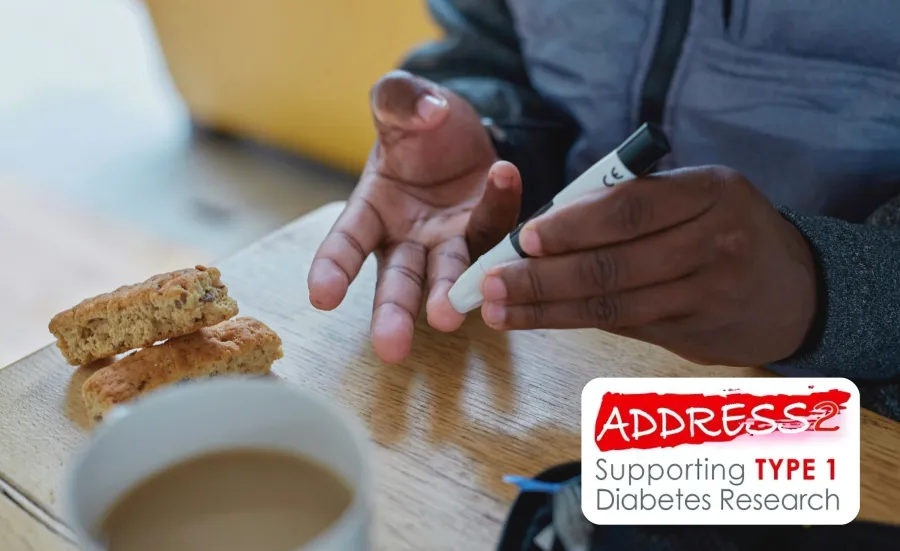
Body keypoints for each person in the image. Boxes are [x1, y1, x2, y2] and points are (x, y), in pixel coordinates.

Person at [306, 0, 900, 419]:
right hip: (568, 374)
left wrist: (837, 290)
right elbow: (491, 46)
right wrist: (496, 141)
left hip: (849, 429)